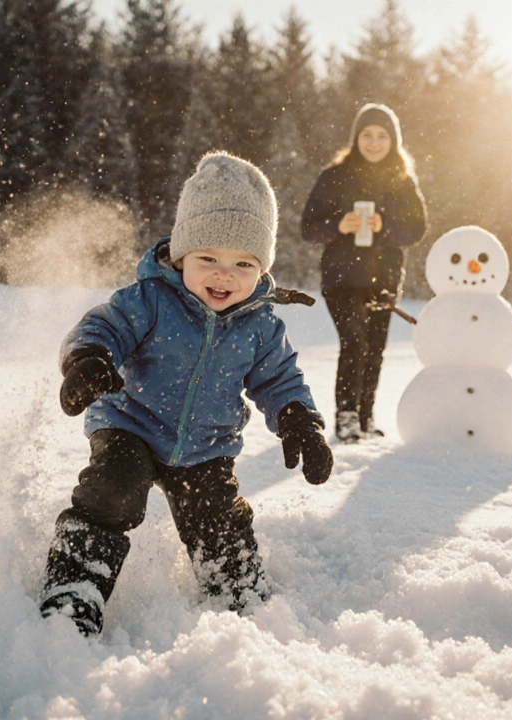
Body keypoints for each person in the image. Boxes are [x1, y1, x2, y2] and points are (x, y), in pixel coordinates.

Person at [40, 151, 335, 637]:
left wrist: (300, 420)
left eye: (243, 263)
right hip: (129, 425)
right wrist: (88, 360)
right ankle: (73, 589)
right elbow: (101, 327)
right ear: (181, 256)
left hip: (205, 445)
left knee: (218, 522)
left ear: (261, 269)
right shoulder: (151, 300)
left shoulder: (260, 325)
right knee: (112, 493)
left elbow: (280, 379)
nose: (224, 275)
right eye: (208, 259)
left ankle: (235, 589)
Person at [301, 103, 428, 443]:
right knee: (354, 341)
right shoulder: (334, 176)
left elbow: (416, 230)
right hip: (341, 278)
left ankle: (366, 418)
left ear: (393, 141)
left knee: (374, 348)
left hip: (384, 279)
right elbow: (309, 228)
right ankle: (346, 418)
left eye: (382, 136)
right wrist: (338, 224)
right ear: (356, 138)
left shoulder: (401, 181)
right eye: (367, 135)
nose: (374, 142)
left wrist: (385, 227)